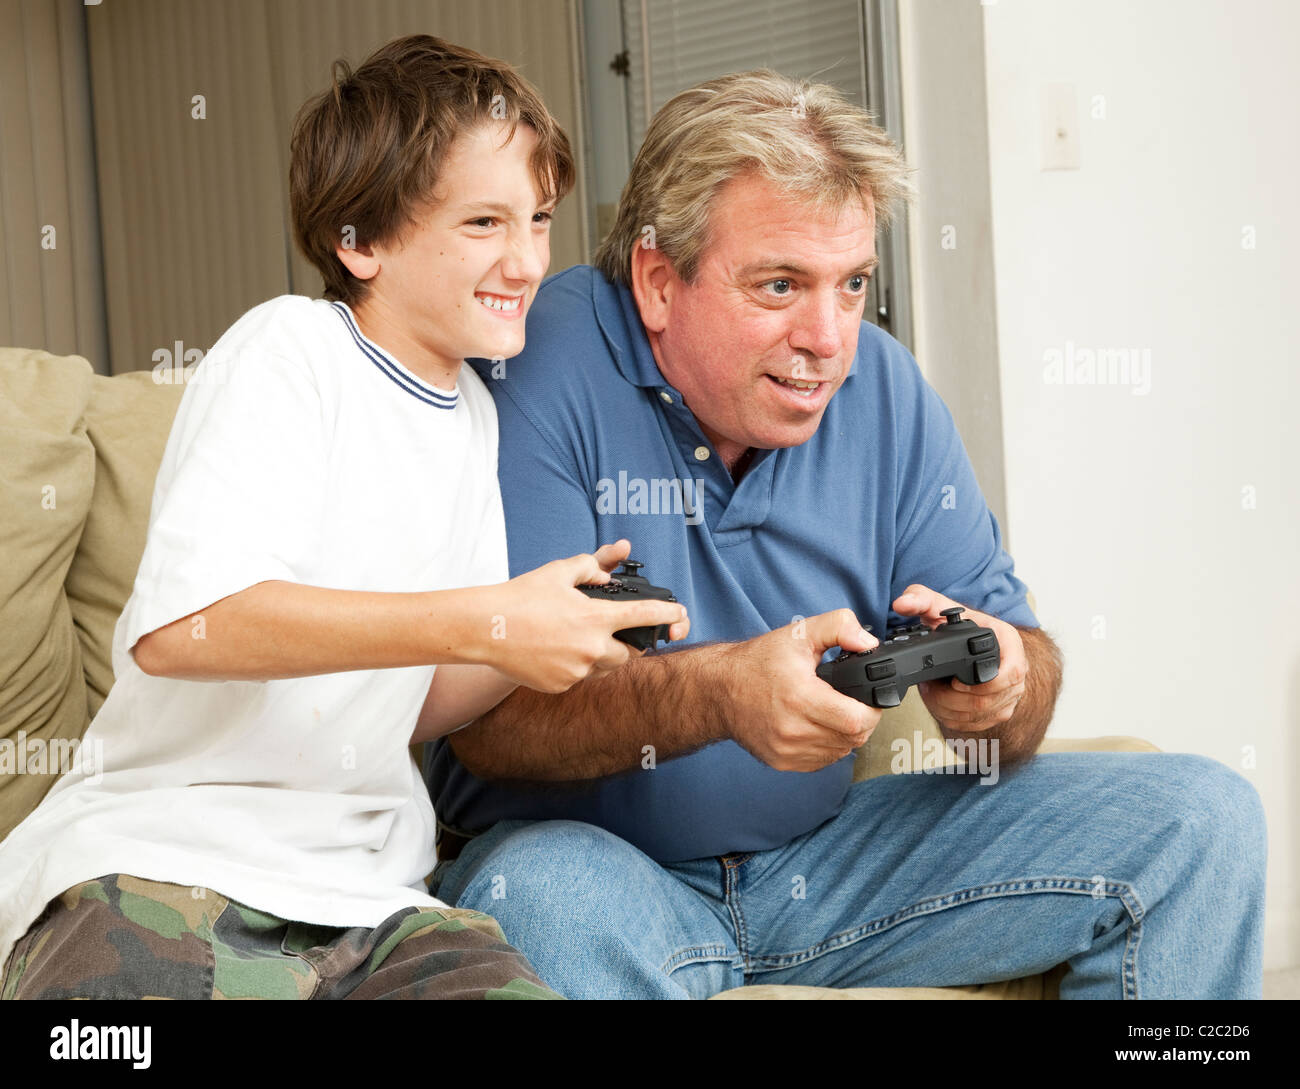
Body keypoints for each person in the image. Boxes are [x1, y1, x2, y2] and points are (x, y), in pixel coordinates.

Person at [426, 71, 1267, 999]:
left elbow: (1024, 664)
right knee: (543, 897)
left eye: (852, 283)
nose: (828, 338)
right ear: (660, 282)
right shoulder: (533, 363)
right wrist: (722, 693)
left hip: (828, 862)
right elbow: (490, 728)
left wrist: (1006, 686)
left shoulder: (886, 392)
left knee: (1205, 817)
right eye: (781, 284)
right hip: (602, 870)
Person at [0, 34, 686, 1001]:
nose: (528, 259)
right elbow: (180, 632)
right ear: (359, 241)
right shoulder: (292, 351)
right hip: (162, 864)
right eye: (484, 222)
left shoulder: (476, 413)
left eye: (538, 219)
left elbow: (420, 696)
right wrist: (481, 616)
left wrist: (543, 629)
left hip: (370, 905)